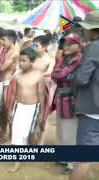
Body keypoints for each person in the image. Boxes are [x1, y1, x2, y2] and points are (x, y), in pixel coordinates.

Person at [70, 11, 99, 180]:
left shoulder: (94, 47)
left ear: (93, 30)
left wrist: (72, 76)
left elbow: (81, 79)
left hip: (93, 110)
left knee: (84, 157)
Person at [8, 47, 45, 172]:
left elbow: (41, 95)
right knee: (17, 133)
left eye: (24, 61)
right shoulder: (17, 76)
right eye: (20, 61)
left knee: (27, 134)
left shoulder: (39, 76)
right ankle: (17, 161)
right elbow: (13, 94)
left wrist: (41, 112)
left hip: (32, 108)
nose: (21, 63)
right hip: (19, 107)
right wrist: (10, 109)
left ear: (32, 61)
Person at [51, 34, 82, 175]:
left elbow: (59, 75)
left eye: (70, 44)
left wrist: (60, 74)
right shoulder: (64, 59)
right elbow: (55, 74)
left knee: (72, 131)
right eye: (65, 44)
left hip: (73, 100)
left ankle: (72, 163)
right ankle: (64, 157)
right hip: (62, 97)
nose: (66, 46)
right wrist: (61, 74)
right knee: (62, 129)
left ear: (79, 45)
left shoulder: (79, 59)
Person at [0, 29, 19, 142]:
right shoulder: (5, 49)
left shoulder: (14, 52)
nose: (1, 42)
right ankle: (2, 129)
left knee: (8, 109)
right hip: (0, 81)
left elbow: (2, 68)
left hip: (7, 83)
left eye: (4, 39)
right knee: (1, 109)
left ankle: (10, 134)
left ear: (10, 40)